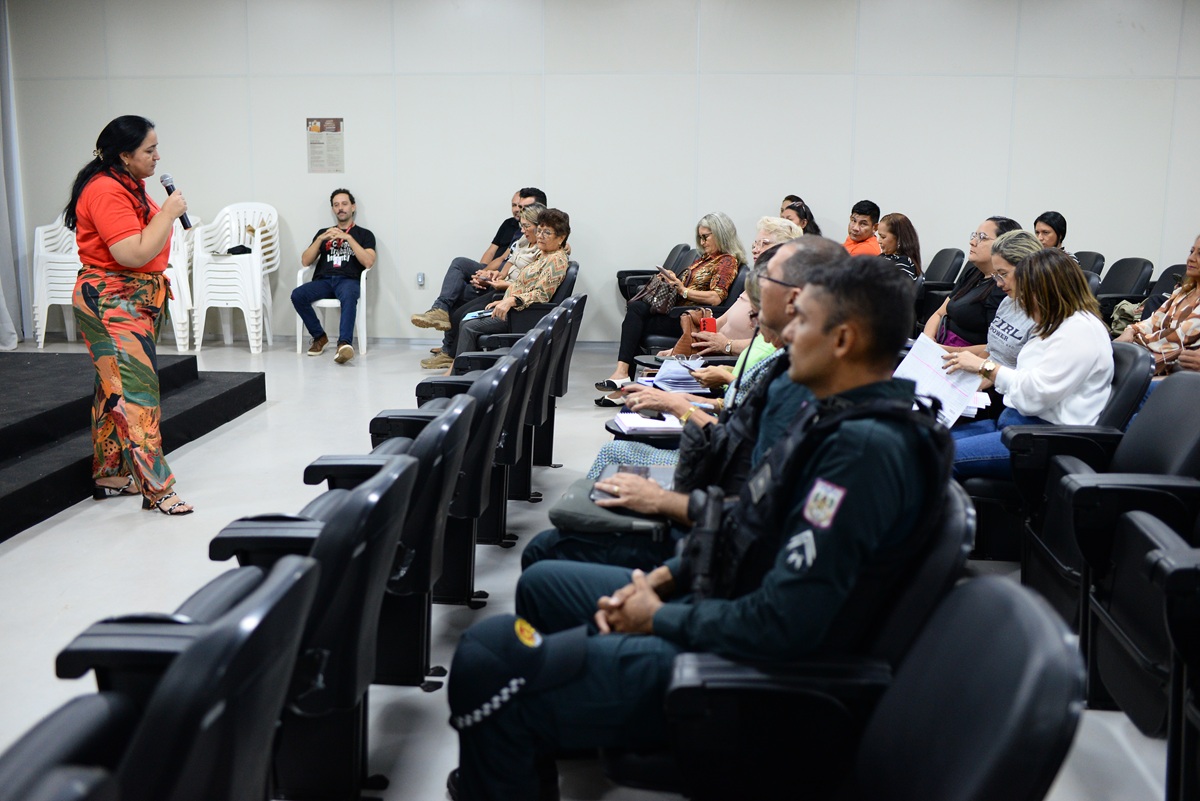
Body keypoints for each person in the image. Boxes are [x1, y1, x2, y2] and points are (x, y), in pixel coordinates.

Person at [446, 256, 948, 801]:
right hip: (722, 606)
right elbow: (753, 525)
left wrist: (659, 617)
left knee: (490, 663)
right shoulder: (832, 420)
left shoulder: (861, 453)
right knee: (509, 635)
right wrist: (664, 578)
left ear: (844, 339)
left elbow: (784, 624)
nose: (784, 331)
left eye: (802, 319)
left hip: (744, 673)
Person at [526, 238, 844, 570]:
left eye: (763, 295)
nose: (755, 315)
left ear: (795, 299)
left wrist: (667, 498)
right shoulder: (787, 363)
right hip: (713, 488)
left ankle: (591, 542)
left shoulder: (796, 379)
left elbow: (747, 487)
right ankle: (591, 535)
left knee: (547, 549)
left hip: (710, 509)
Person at [65, 115, 193, 515]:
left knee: (113, 389)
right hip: (112, 301)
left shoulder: (127, 183)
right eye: (149, 150)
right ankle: (158, 488)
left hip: (132, 298)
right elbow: (131, 253)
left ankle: (110, 474)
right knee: (138, 393)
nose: (157, 157)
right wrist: (168, 213)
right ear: (124, 155)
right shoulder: (105, 190)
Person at [943, 248, 1113, 478]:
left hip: (1043, 438)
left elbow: (1034, 395)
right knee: (927, 443)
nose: (1022, 303)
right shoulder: (1055, 323)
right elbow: (1026, 379)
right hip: (1016, 425)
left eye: (1026, 294)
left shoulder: (1079, 331)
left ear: (1048, 292)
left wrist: (987, 368)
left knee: (938, 457)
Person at [595, 213, 745, 402]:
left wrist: (683, 291)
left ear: (721, 235)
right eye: (700, 237)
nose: (702, 242)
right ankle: (623, 378)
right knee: (637, 309)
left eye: (706, 237)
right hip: (680, 314)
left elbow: (715, 297)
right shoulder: (706, 258)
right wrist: (674, 280)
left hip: (690, 321)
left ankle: (623, 380)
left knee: (635, 321)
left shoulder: (727, 261)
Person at [421, 202, 545, 370]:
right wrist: (491, 274)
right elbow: (506, 261)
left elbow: (530, 283)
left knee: (463, 317)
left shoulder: (543, 249)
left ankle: (455, 361)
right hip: (502, 284)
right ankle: (440, 312)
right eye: (521, 225)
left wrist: (504, 284)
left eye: (526, 226)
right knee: (457, 292)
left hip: (508, 294)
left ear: (539, 226)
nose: (522, 230)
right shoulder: (523, 240)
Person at [411, 188, 546, 332]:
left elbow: (532, 282)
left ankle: (444, 325)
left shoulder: (542, 240)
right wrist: (482, 273)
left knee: (459, 295)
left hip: (509, 285)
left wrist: (495, 278)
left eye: (525, 207)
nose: (519, 210)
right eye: (516, 206)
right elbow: (502, 256)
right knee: (459, 264)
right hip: (498, 272)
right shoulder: (515, 230)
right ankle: (440, 310)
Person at [670, 216, 802, 359]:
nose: (755, 250)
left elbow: (768, 345)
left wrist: (727, 345)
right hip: (713, 354)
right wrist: (680, 349)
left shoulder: (783, 292)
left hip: (727, 360)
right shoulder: (756, 282)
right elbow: (721, 321)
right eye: (755, 244)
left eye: (764, 243)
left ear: (786, 249)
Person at [451, 209, 571, 357]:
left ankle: (462, 369)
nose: (540, 236)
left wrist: (511, 300)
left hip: (522, 315)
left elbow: (541, 294)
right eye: (539, 231)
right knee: (466, 319)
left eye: (546, 232)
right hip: (515, 310)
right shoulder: (544, 255)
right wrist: (505, 299)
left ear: (561, 238)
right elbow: (527, 285)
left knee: (469, 326)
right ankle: (464, 367)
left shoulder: (556, 260)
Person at [292, 189, 377, 364]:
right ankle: (319, 337)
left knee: (349, 294)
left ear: (353, 207)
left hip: (348, 280)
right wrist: (320, 239)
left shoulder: (364, 234)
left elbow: (368, 262)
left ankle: (344, 344)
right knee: (297, 295)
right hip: (324, 281)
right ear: (333, 209)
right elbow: (305, 261)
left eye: (344, 204)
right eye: (336, 205)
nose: (340, 208)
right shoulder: (324, 233)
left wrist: (348, 238)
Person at [922, 216, 1021, 347]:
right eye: (975, 236)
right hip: (940, 343)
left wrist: (946, 350)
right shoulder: (974, 273)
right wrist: (928, 338)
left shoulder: (1002, 288)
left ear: (1003, 245)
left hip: (961, 354)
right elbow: (940, 313)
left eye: (982, 237)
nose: (972, 242)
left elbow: (994, 347)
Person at [1116, 233, 1200, 375]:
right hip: (1153, 359)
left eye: (1199, 254)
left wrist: (1135, 338)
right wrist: (1130, 330)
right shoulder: (1182, 292)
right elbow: (1152, 321)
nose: (1191, 258)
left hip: (1173, 374)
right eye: (1192, 251)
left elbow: (1176, 338)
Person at [875, 212, 922, 277]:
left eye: (883, 237)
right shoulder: (882, 257)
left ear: (899, 239)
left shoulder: (904, 264)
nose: (878, 241)